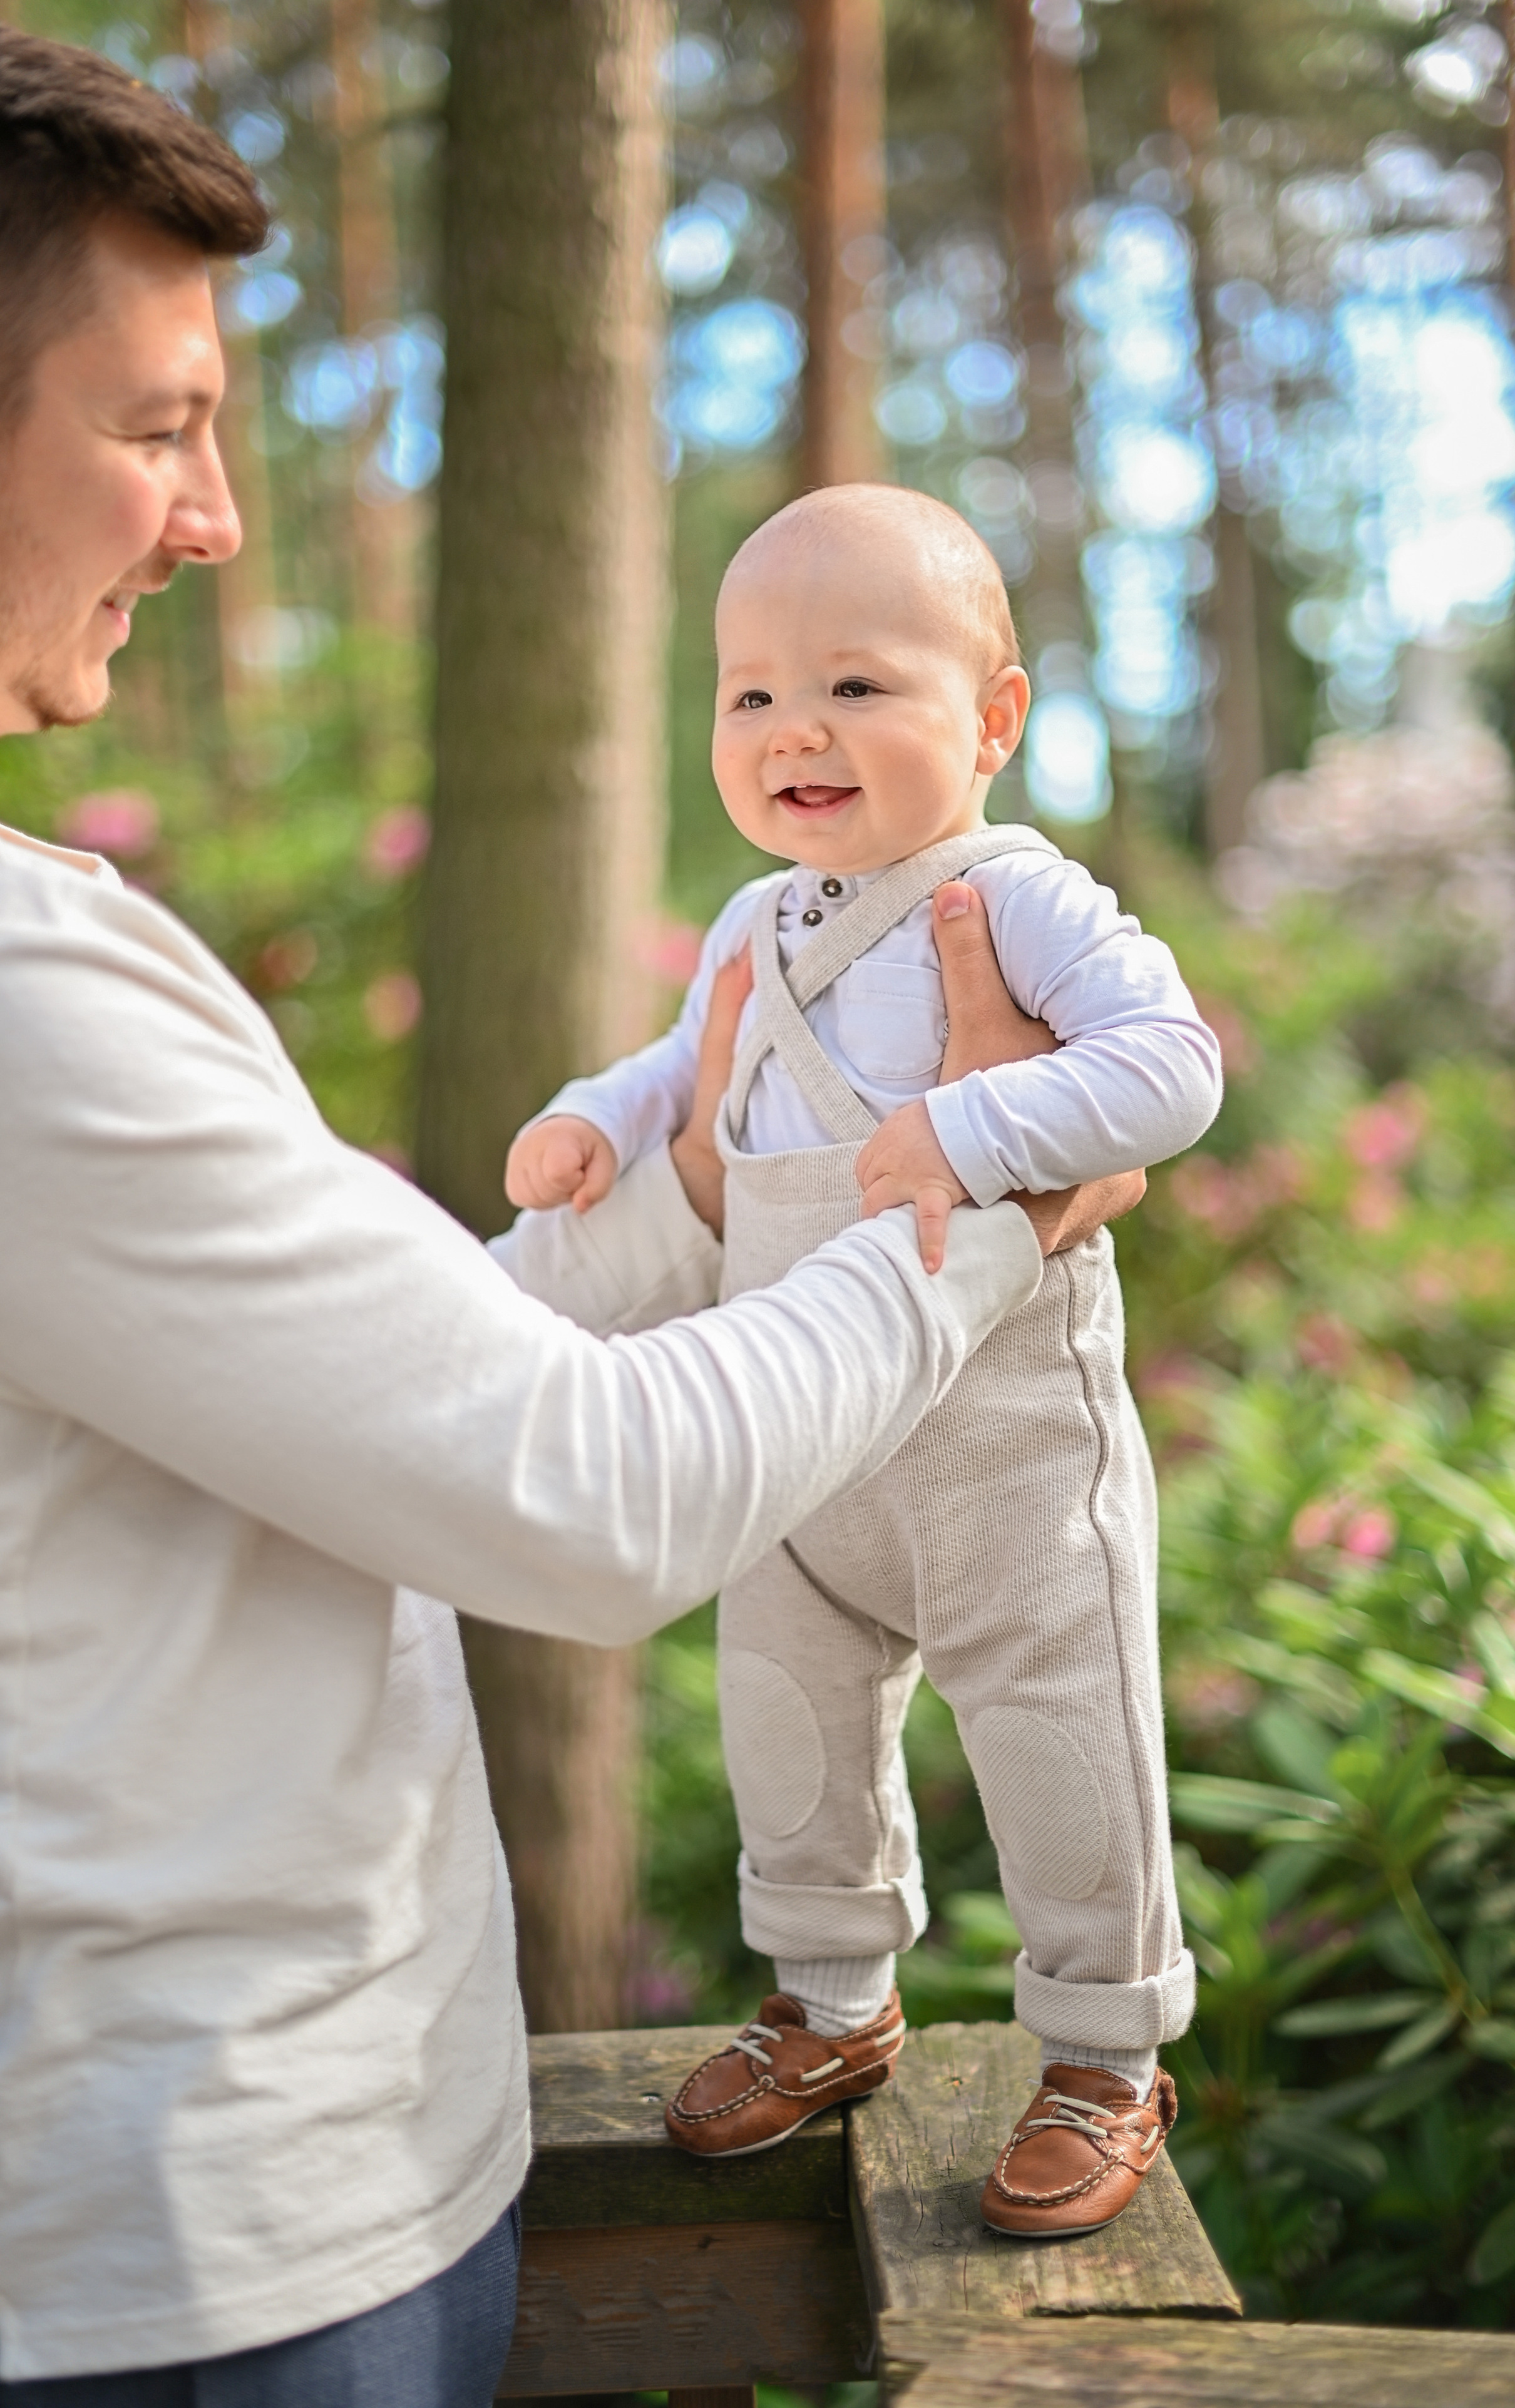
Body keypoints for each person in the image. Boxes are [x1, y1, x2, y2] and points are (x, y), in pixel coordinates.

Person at [0, 30, 1144, 2401]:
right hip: (202, 2263)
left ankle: (1087, 2027)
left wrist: (688, 1194)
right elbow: (579, 1495)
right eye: (152, 426)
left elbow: (386, 1403)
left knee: (1055, 1709)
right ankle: (907, 2005)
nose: (216, 519)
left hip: (269, 2192)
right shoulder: (25, 999)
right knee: (844, 1722)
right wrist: (978, 1207)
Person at [507, 484, 1223, 2238]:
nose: (793, 729)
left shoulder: (1016, 894)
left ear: (993, 717)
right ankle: (831, 2001)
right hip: (801, 1450)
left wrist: (980, 1121)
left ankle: (1105, 2053)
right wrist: (597, 1125)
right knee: (790, 1735)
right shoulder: (754, 925)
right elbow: (687, 1080)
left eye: (858, 685)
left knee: (1066, 1746)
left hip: (1003, 1455)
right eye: (749, 694)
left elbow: (1174, 1067)